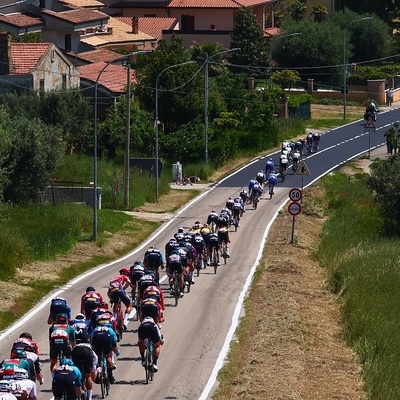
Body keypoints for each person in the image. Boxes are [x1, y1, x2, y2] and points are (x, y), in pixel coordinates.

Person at [91, 316, 118, 385]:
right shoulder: (110, 329)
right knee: (107, 356)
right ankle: (110, 376)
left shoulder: (95, 329)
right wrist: (116, 351)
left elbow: (91, 337)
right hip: (106, 339)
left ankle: (98, 374)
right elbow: (114, 342)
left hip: (96, 339)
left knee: (98, 357)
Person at [71, 332, 98, 400]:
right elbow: (95, 358)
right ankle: (89, 397)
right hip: (87, 352)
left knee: (76, 372)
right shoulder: (89, 346)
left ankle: (77, 389)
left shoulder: (75, 346)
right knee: (88, 375)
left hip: (76, 352)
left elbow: (70, 359)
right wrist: (93, 369)